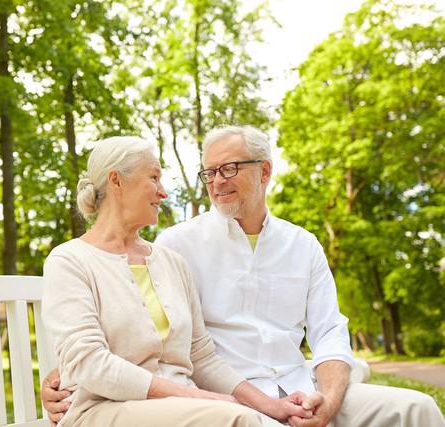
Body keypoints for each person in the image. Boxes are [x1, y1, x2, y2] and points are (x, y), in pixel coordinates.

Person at [43, 126, 445, 427]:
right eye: (209, 172)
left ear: (264, 171)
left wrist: (328, 398)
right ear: (116, 181)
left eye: (230, 169)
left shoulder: (297, 245)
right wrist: (61, 378)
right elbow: (93, 354)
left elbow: (327, 334)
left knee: (418, 408)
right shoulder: (175, 244)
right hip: (208, 401)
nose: (215, 182)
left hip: (289, 386)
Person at [41, 136, 315, 427]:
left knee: (245, 416)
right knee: (237, 419)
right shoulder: (70, 261)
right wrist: (200, 398)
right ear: (116, 181)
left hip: (183, 410)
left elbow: (202, 357)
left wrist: (273, 406)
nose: (163, 193)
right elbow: (89, 363)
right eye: (154, 178)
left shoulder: (171, 262)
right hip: (103, 410)